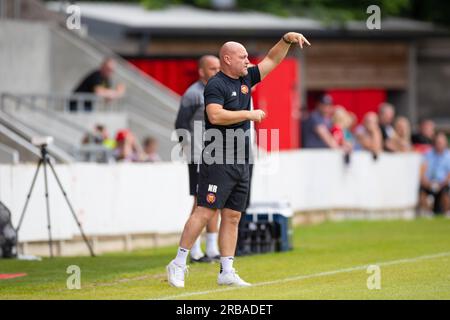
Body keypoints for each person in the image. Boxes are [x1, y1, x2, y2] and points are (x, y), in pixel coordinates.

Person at [166, 32, 311, 288]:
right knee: (204, 211)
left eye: (247, 56)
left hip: (242, 158)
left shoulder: (246, 77)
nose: (247, 60)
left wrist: (286, 40)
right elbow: (216, 115)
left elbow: (272, 60)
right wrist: (249, 114)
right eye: (242, 56)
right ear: (227, 58)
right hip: (218, 158)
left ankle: (227, 270)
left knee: (233, 215)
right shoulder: (216, 84)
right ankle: (178, 263)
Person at [174, 55, 221, 263]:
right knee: (200, 201)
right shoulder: (193, 94)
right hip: (199, 154)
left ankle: (211, 248)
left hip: (216, 153)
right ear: (201, 71)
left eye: (219, 68)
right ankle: (194, 250)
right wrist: (189, 150)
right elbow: (180, 123)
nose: (217, 72)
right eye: (212, 68)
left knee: (215, 199)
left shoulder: (217, 92)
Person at [419, 132, 450, 216]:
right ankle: (426, 213)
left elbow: (448, 175)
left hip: (442, 184)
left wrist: (441, 184)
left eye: (441, 142)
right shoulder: (427, 154)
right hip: (429, 183)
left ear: (445, 143)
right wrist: (429, 184)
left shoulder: (448, 156)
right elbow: (422, 171)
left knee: (446, 192)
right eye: (437, 142)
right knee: (422, 192)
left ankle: (447, 212)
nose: (439, 144)